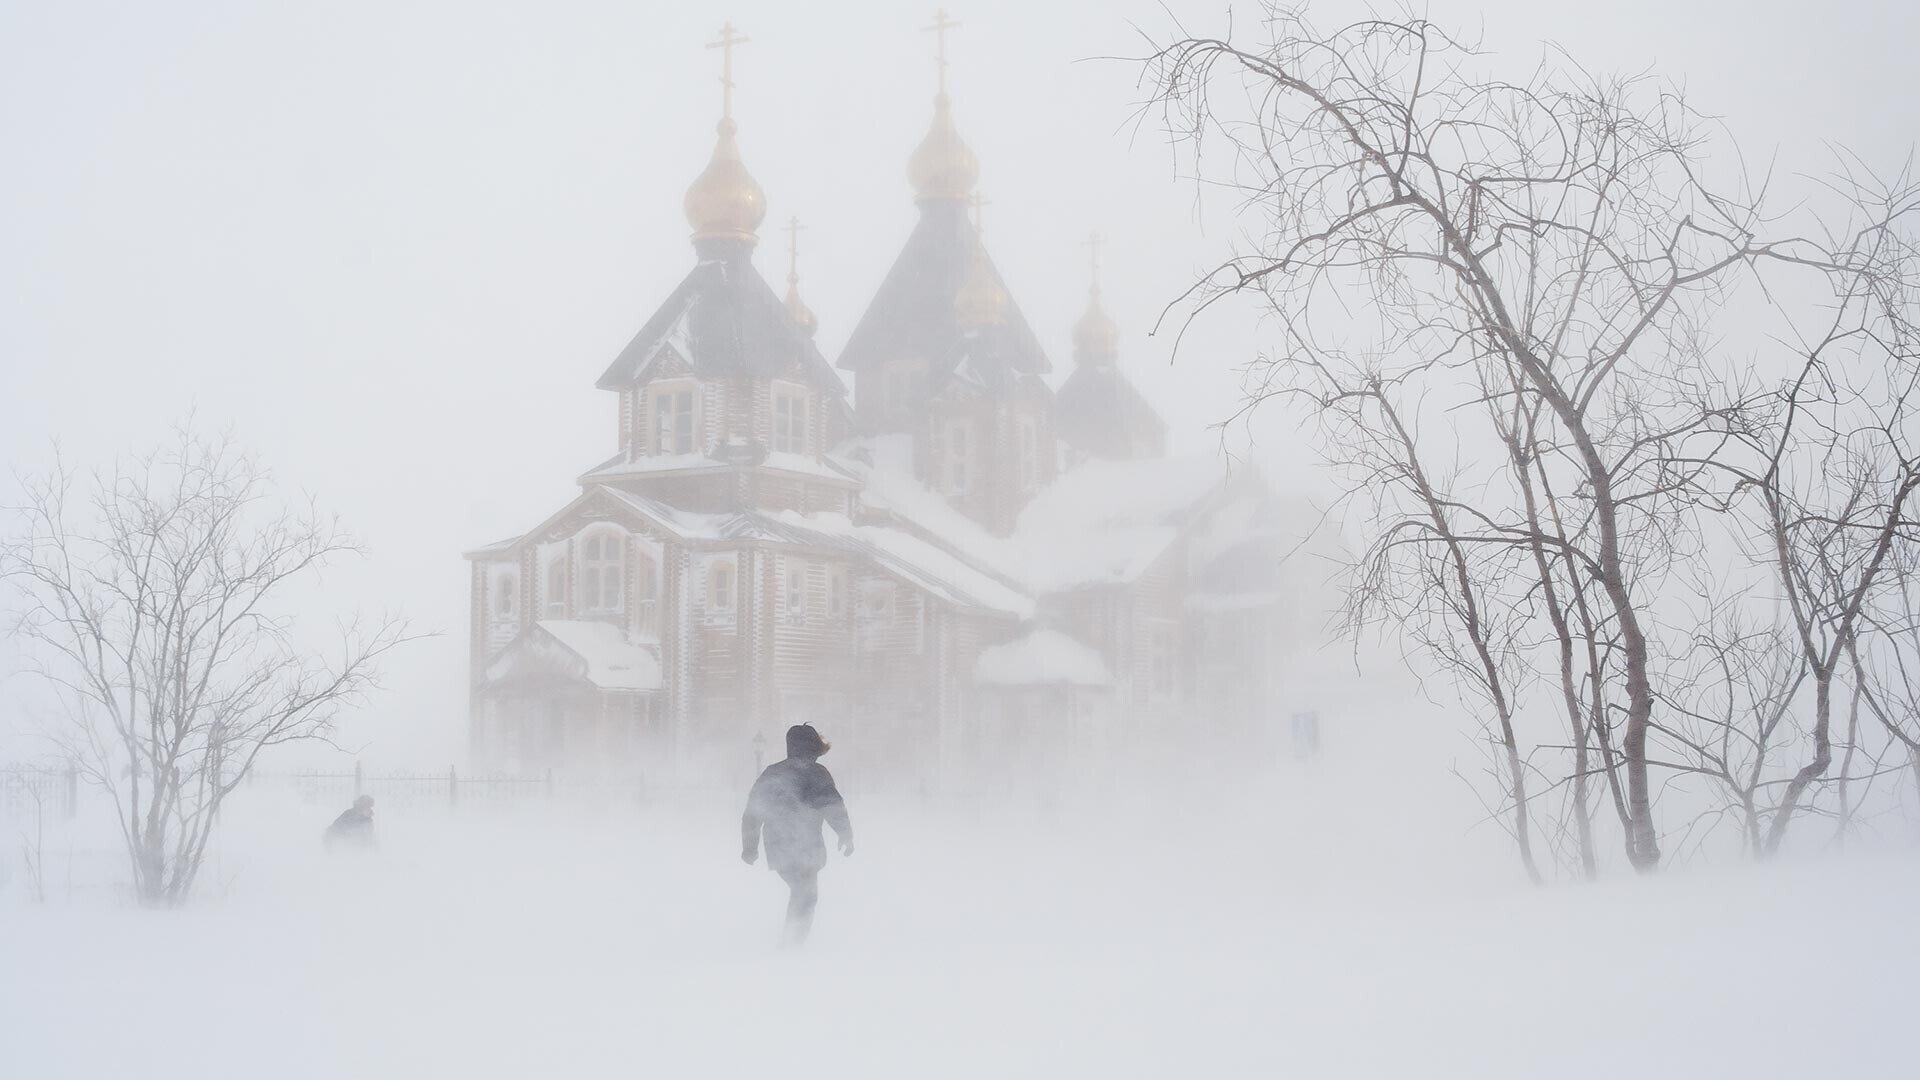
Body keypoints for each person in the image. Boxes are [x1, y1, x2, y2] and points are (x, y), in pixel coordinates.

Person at [741, 724, 853, 945]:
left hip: (777, 846)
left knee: (803, 892)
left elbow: (752, 813)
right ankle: (792, 945)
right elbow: (833, 807)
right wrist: (845, 835)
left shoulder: (772, 772)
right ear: (814, 746)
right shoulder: (816, 773)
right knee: (806, 894)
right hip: (806, 846)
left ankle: (792, 943)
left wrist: (750, 848)